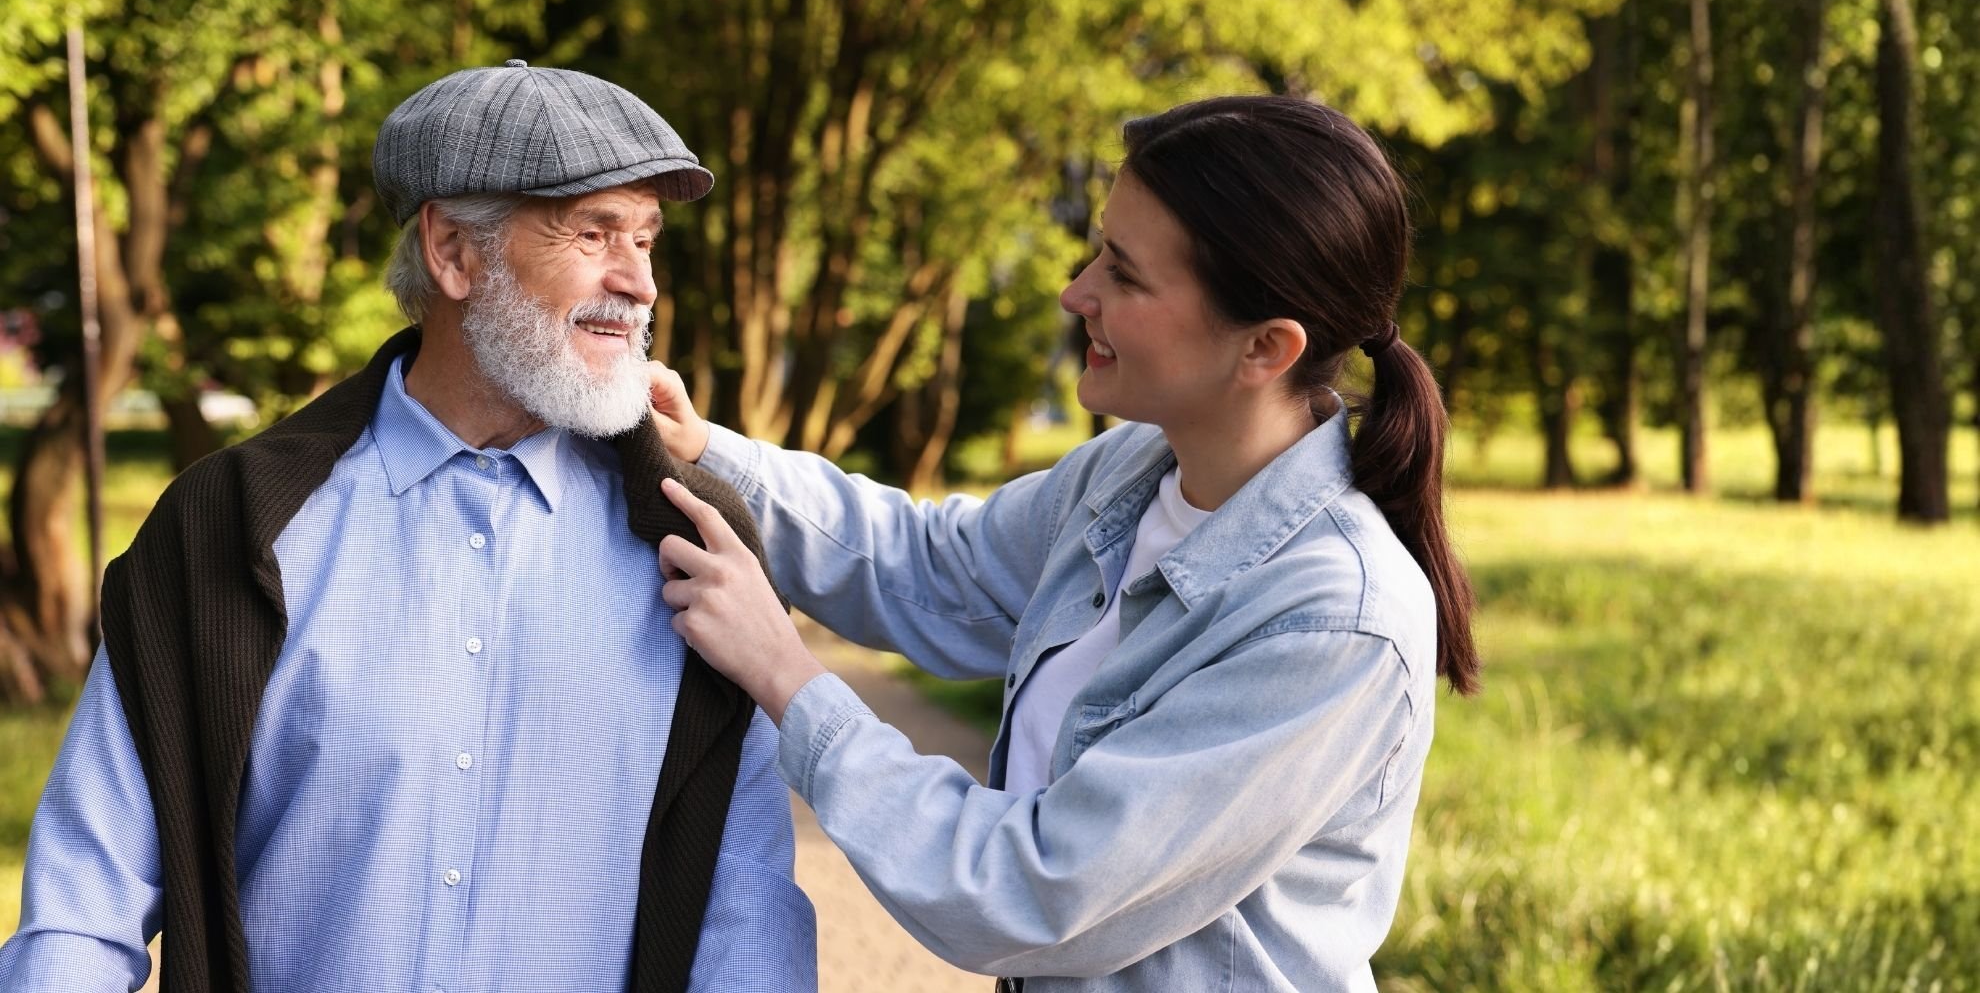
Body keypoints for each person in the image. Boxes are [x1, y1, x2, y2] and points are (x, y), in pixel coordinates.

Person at [0, 61, 814, 993]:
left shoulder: (699, 545)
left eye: (646, 239)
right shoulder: (225, 532)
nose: (637, 283)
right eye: (593, 234)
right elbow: (82, 905)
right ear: (452, 254)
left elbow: (745, 909)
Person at [644, 95, 1480, 992]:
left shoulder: (1332, 623)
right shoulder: (1128, 474)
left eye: (1124, 275)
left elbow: (1029, 894)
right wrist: (710, 451)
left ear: (1266, 347)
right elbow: (933, 568)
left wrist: (789, 680)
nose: (1074, 291)